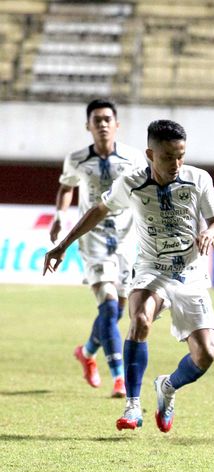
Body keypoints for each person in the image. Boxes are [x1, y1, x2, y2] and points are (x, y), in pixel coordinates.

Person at [44, 119, 214, 433]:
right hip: (150, 269)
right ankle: (132, 405)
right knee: (139, 319)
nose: (176, 163)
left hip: (190, 273)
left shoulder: (198, 179)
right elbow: (99, 210)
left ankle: (167, 387)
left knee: (206, 354)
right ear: (150, 154)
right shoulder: (131, 182)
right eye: (168, 156)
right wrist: (63, 246)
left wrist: (210, 232)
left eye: (181, 155)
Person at [49, 98, 148, 398]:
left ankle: (87, 351)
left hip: (126, 241)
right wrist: (59, 216)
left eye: (108, 119)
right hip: (92, 241)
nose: (103, 124)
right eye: (97, 120)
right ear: (88, 126)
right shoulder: (77, 159)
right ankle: (119, 378)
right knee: (107, 305)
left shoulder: (133, 159)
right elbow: (66, 187)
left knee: (116, 311)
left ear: (117, 125)